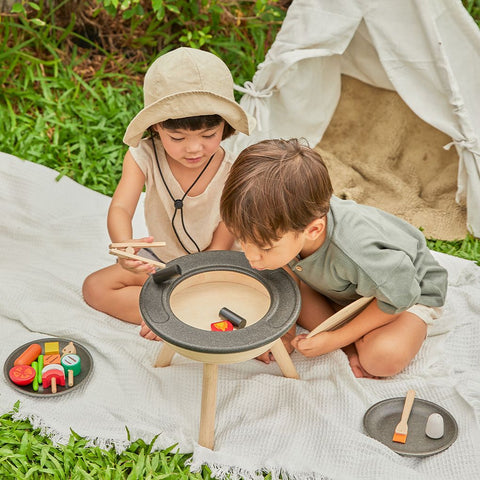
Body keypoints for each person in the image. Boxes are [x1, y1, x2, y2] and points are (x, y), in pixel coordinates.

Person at [220, 138, 448, 378]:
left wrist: (334, 339)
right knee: (283, 289)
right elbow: (287, 275)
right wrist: (286, 332)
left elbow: (402, 293)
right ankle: (352, 345)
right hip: (345, 288)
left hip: (406, 294)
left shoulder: (356, 250)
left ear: (313, 230)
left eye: (264, 248)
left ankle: (352, 338)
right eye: (242, 240)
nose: (251, 257)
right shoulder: (285, 226)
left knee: (382, 359)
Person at [82, 47, 252, 340]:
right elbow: (121, 208)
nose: (194, 148)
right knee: (94, 287)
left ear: (224, 125)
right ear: (157, 126)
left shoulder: (233, 168)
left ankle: (170, 315)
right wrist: (125, 248)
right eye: (177, 138)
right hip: (162, 263)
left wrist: (197, 276)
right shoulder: (143, 156)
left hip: (215, 265)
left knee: (250, 292)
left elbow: (226, 234)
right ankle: (181, 314)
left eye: (208, 135)